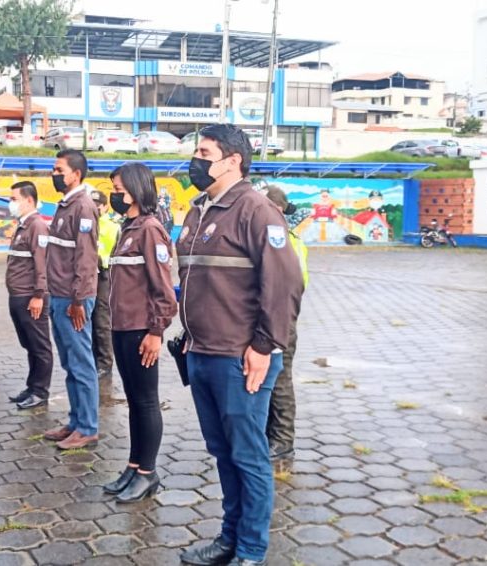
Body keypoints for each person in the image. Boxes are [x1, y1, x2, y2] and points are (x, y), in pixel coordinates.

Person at [176, 124, 303, 566]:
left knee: (248, 456)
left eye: (204, 152)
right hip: (202, 352)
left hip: (239, 357)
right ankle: (229, 538)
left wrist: (264, 347)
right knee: (223, 453)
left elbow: (284, 285)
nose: (196, 160)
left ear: (232, 160)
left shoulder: (257, 210)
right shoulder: (198, 211)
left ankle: (250, 550)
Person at [101, 162, 177, 503]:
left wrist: (156, 331)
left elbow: (163, 288)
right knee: (133, 401)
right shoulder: (128, 228)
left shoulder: (149, 229)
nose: (115, 195)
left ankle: (148, 473)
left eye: (119, 190)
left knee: (146, 402)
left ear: (136, 188)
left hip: (140, 331)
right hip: (121, 327)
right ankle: (134, 465)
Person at [42, 149, 101, 451]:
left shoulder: (84, 207)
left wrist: (79, 300)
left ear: (75, 174)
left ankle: (88, 427)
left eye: (58, 169)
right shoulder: (65, 206)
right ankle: (76, 420)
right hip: (59, 296)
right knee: (69, 363)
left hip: (73, 300)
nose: (54, 174)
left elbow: (86, 259)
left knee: (81, 364)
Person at [263, 186, 310, 474]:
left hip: (281, 320)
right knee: (268, 380)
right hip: (268, 318)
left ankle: (282, 442)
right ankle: (271, 435)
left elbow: (292, 284)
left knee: (280, 380)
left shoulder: (285, 240)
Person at [5, 181, 53, 409]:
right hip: (17, 295)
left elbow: (42, 264)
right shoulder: (23, 226)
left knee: (40, 345)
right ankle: (32, 386)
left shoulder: (37, 226)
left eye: (14, 199)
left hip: (30, 297)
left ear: (29, 200)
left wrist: (39, 295)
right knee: (29, 344)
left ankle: (40, 391)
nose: (11, 204)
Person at [89, 190, 120, 381]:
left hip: (104, 276)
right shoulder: (85, 224)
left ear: (105, 207)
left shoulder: (113, 227)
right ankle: (93, 359)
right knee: (88, 320)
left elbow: (117, 254)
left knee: (102, 321)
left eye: (97, 205)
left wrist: (101, 259)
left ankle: (105, 363)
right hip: (87, 276)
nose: (94, 209)